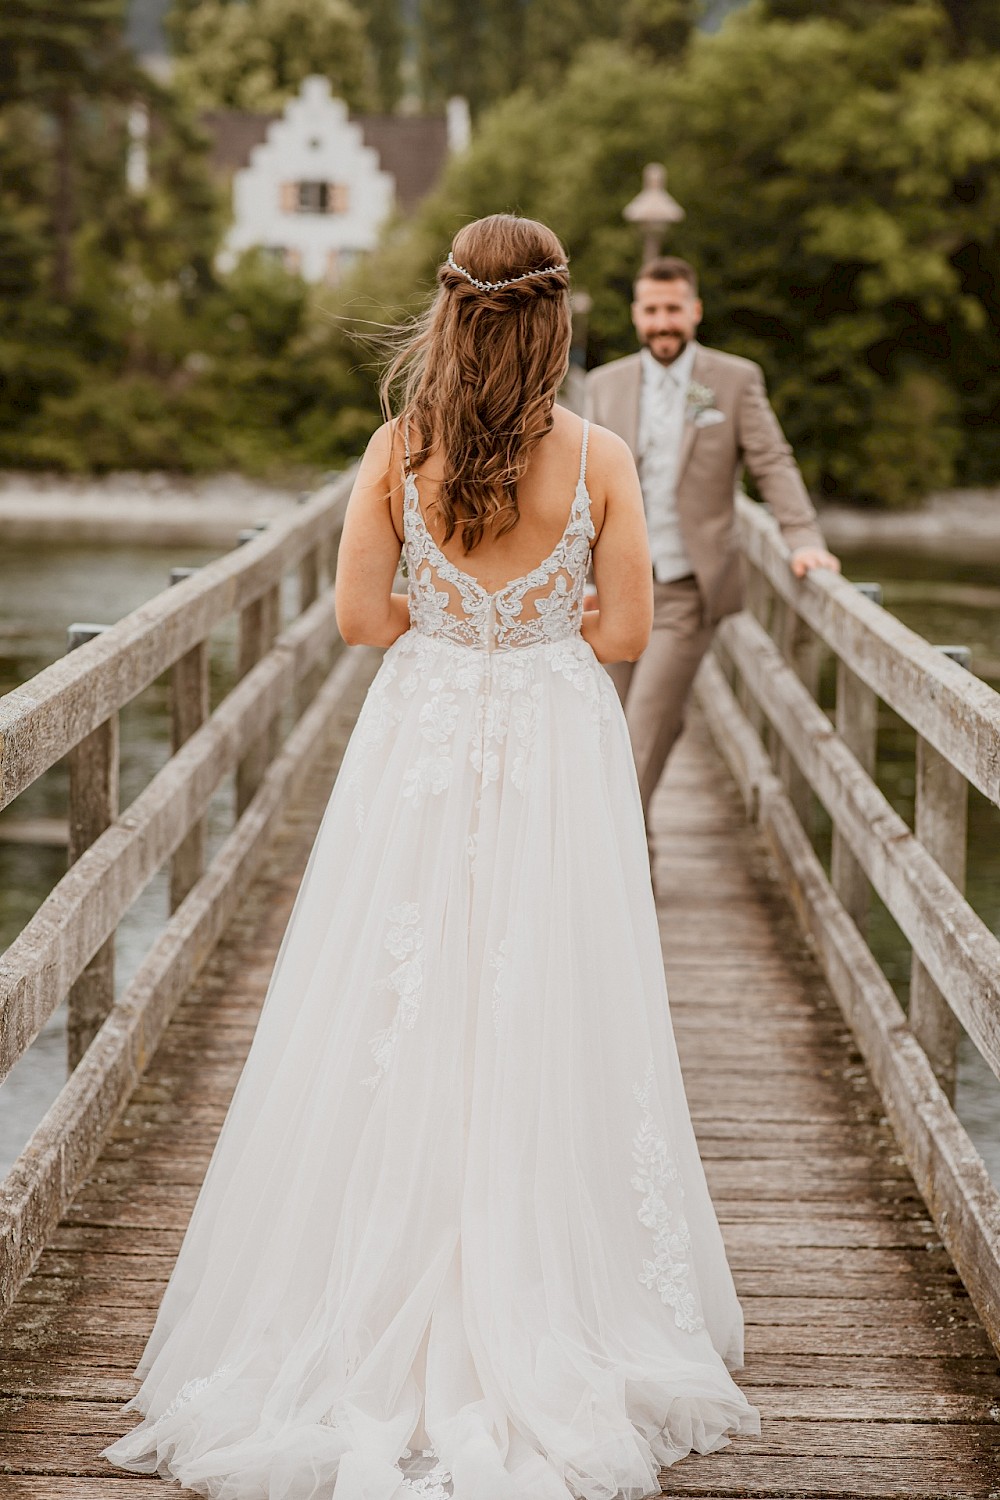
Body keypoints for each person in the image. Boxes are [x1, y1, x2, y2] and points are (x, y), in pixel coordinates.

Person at [103, 216, 759, 1500]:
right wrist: (536, 615)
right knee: (549, 997)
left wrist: (453, 617)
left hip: (423, 732)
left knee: (393, 997)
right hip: (557, 738)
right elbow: (627, 627)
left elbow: (359, 618)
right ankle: (550, 1290)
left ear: (451, 314)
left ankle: (361, 1293)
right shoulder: (603, 454)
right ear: (561, 321)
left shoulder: (395, 448)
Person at [585, 256, 839, 841]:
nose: (663, 322)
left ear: (694, 310)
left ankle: (613, 864)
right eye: (652, 310)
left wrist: (802, 538)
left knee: (640, 733)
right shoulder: (605, 384)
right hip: (611, 589)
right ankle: (634, 851)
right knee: (608, 727)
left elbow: (772, 460)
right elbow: (580, 481)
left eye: (674, 309)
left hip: (686, 589)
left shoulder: (733, 379)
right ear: (636, 315)